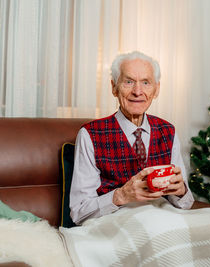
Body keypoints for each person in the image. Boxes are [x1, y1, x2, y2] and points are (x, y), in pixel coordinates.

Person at [70, 51, 194, 225]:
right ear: (114, 87)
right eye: (128, 82)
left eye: (146, 82)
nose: (138, 91)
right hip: (116, 226)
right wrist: (121, 195)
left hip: (163, 222)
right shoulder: (90, 134)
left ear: (156, 89)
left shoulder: (168, 131)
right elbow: (79, 211)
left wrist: (181, 191)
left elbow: (186, 203)